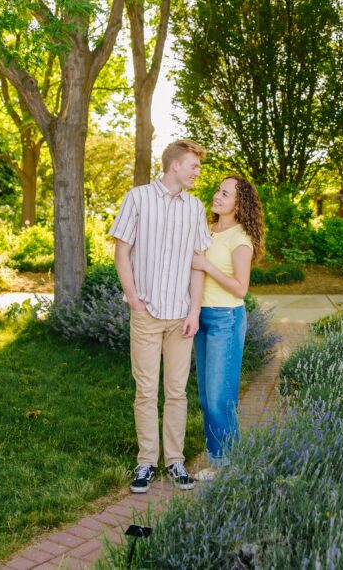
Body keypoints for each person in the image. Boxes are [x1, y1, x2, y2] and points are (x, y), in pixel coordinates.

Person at [109, 140, 212, 493]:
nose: (197, 172)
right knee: (146, 390)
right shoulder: (137, 198)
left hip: (180, 317)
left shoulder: (195, 208)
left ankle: (175, 462)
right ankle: (145, 462)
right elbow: (121, 253)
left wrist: (194, 310)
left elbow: (198, 265)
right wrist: (135, 301)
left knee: (177, 392)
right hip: (147, 315)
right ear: (174, 166)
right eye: (193, 166)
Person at [189, 175, 265, 480]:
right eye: (218, 190)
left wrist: (207, 266)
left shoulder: (240, 239)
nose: (217, 196)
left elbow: (240, 288)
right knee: (208, 396)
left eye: (226, 193)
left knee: (221, 396)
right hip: (202, 318)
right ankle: (221, 459)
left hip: (226, 319)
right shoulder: (207, 232)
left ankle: (226, 464)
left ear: (239, 203)